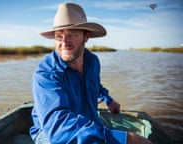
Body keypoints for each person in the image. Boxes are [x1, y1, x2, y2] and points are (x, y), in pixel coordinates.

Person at [30, 2, 152, 144]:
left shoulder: (92, 61)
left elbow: (95, 85)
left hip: (87, 120)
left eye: (72, 34)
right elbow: (58, 128)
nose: (64, 42)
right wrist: (127, 139)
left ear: (86, 37)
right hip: (50, 132)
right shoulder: (45, 74)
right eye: (59, 36)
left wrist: (108, 100)